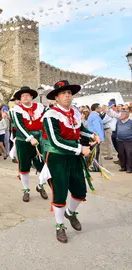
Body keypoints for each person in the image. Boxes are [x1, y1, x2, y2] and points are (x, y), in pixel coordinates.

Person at [42, 80, 99, 243]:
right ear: (57, 98)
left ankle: (70, 213)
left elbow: (80, 130)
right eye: (63, 93)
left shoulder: (74, 112)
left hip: (74, 157)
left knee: (80, 190)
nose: (67, 96)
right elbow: (55, 141)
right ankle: (59, 226)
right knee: (60, 192)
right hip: (57, 158)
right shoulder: (50, 115)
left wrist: (92, 136)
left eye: (69, 93)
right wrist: (80, 149)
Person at [11, 86, 47, 202]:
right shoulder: (16, 110)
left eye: (27, 95)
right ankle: (26, 190)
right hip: (23, 141)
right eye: (23, 96)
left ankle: (40, 186)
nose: (25, 97)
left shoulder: (40, 107)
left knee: (43, 165)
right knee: (24, 167)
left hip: (39, 140)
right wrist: (30, 137)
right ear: (20, 99)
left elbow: (47, 121)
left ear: (32, 97)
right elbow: (19, 126)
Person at [87, 103, 104, 172]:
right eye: (99, 108)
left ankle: (94, 166)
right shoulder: (95, 116)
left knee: (94, 152)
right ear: (96, 109)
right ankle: (95, 167)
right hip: (96, 137)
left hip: (92, 136)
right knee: (95, 152)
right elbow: (97, 128)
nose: (100, 109)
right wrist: (101, 138)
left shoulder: (92, 115)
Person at [116, 108, 132, 173]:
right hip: (120, 140)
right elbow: (116, 129)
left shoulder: (130, 122)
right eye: (121, 114)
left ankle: (129, 168)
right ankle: (123, 167)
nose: (121, 115)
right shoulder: (118, 121)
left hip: (129, 140)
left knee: (129, 154)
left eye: (122, 114)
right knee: (121, 154)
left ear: (127, 115)